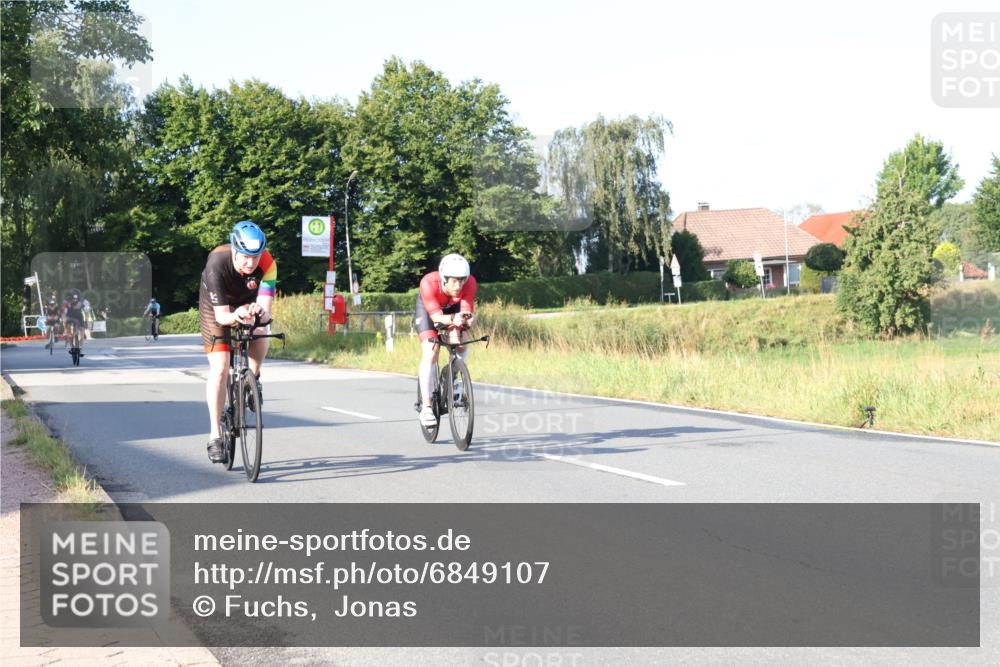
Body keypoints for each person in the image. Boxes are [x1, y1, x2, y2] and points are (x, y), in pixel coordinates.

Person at [199, 221, 277, 463]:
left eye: (255, 257)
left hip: (246, 303)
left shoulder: (268, 264)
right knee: (220, 367)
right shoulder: (216, 264)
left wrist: (256, 312)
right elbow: (223, 316)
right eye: (245, 256)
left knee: (262, 328)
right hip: (217, 308)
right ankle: (215, 435)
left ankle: (253, 379)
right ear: (234, 249)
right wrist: (235, 316)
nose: (251, 263)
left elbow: (265, 311)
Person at [415, 253, 477, 426]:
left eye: (462, 280)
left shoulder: (470, 283)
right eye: (454, 281)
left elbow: (466, 309)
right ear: (444, 278)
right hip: (429, 312)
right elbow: (436, 319)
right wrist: (452, 320)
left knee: (462, 342)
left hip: (453, 308)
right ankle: (427, 407)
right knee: (431, 350)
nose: (458, 285)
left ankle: (452, 374)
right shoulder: (428, 283)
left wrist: (469, 318)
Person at [62, 289, 87, 355]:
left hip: (79, 316)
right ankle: (71, 346)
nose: (74, 300)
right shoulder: (67, 302)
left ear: (78, 298)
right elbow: (63, 310)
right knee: (69, 329)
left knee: (82, 330)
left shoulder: (82, 301)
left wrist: (86, 309)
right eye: (73, 299)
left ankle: (80, 347)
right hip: (70, 316)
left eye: (76, 299)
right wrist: (63, 318)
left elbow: (86, 308)